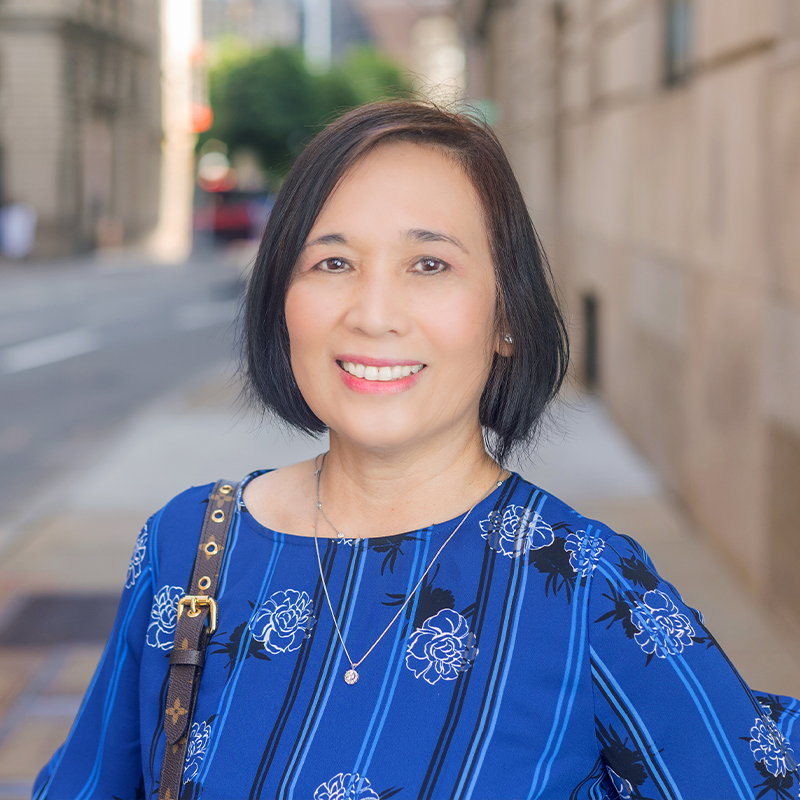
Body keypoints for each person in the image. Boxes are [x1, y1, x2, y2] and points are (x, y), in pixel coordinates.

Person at [34, 101, 799, 800]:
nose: (373, 314)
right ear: (282, 302)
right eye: (332, 262)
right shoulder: (190, 543)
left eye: (429, 264)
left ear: (508, 317)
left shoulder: (590, 590)